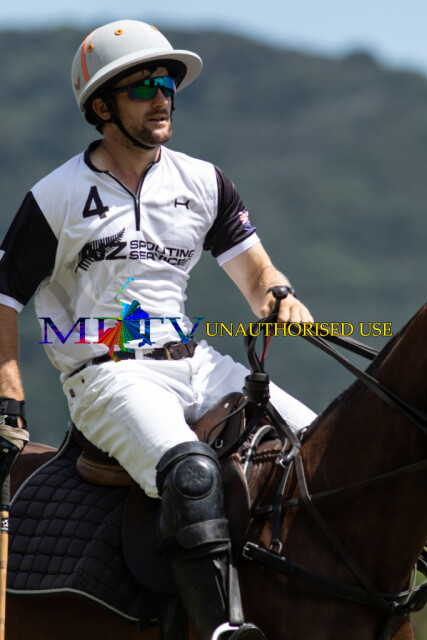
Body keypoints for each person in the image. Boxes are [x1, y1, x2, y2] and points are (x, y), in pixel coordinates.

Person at [0, 20, 316, 640]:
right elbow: (4, 294)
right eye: (143, 87)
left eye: (167, 85)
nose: (162, 97)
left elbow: (256, 274)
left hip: (196, 362)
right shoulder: (56, 195)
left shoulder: (204, 182)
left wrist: (278, 295)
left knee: (320, 448)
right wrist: (9, 388)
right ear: (102, 107)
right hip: (107, 376)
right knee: (191, 476)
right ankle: (222, 629)